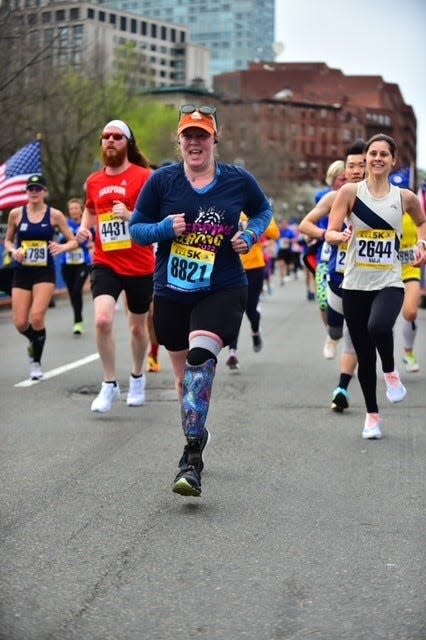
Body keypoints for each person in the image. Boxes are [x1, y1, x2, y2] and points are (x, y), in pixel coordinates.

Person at [129, 104, 272, 497]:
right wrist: (162, 228)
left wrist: (251, 234)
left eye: (202, 135)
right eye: (188, 136)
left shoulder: (237, 181)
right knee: (182, 381)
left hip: (223, 286)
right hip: (172, 291)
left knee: (198, 364)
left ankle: (191, 459)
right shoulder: (162, 182)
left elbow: (263, 210)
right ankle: (197, 432)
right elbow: (135, 230)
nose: (195, 142)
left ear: (214, 140)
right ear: (179, 141)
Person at [326, 133, 426, 440]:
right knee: (364, 356)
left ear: (393, 160)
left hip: (389, 280)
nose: (378, 158)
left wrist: (421, 243)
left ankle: (392, 372)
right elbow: (330, 230)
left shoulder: (405, 197)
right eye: (373, 153)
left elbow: (421, 222)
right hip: (355, 282)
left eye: (384, 154)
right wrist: (337, 237)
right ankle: (372, 416)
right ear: (366, 159)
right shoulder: (350, 192)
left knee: (379, 326)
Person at [76, 120, 154, 413]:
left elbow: (156, 218)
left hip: (140, 263)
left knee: (136, 328)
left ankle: (137, 377)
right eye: (105, 136)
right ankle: (109, 384)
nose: (110, 140)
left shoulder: (145, 177)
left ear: (128, 143)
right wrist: (84, 229)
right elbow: (90, 210)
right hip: (105, 261)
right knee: (103, 320)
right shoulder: (95, 180)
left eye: (117, 136)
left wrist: (131, 215)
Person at [299, 140, 366, 412]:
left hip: (371, 277)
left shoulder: (390, 197)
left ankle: (342, 388)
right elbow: (305, 224)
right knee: (336, 323)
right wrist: (328, 235)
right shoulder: (333, 197)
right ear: (345, 170)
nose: (357, 171)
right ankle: (331, 334)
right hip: (338, 272)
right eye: (352, 166)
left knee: (358, 332)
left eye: (362, 165)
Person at [4, 174, 78, 380]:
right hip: (22, 270)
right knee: (20, 322)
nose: (34, 192)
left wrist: (61, 246)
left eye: (38, 189)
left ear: (45, 192)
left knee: (36, 317)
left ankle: (36, 361)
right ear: (26, 192)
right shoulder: (16, 214)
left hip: (44, 271)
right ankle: (35, 340)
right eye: (31, 189)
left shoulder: (55, 215)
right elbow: (8, 241)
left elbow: (73, 241)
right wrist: (13, 251)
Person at [226, 212, 279, 369]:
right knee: (234, 311)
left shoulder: (257, 210)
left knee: (250, 308)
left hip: (255, 267)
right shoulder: (228, 207)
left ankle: (255, 332)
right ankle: (232, 352)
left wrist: (253, 220)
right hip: (232, 267)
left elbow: (275, 233)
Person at [60, 197, 92, 335]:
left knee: (77, 290)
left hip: (83, 263)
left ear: (81, 210)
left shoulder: (86, 225)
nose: (73, 211)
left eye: (76, 208)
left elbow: (93, 239)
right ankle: (77, 317)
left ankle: (78, 321)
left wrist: (88, 242)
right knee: (72, 293)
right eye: (71, 208)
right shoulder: (65, 224)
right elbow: (60, 239)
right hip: (66, 263)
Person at [400, 212, 422, 372]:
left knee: (411, 313)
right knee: (378, 321)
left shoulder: (414, 211)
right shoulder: (379, 208)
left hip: (410, 269)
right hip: (383, 271)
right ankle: (358, 355)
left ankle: (409, 353)